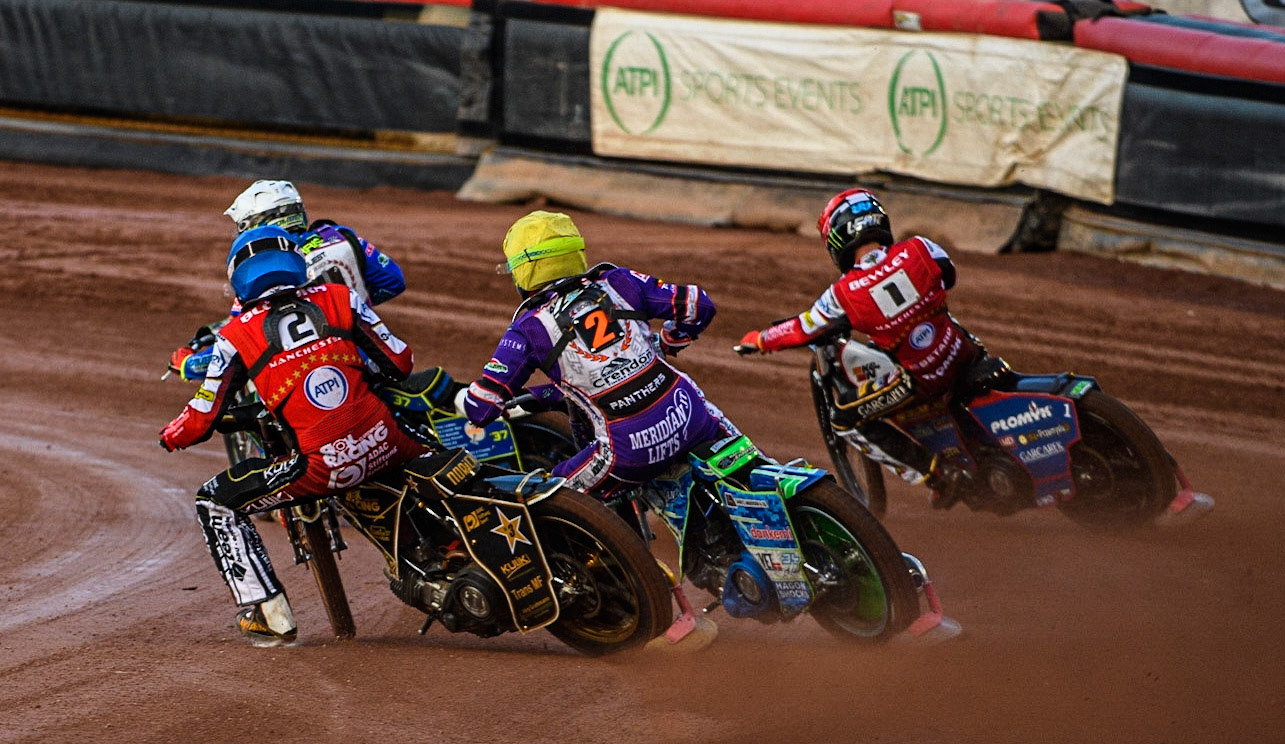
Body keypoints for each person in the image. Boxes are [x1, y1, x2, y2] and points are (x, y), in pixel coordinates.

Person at [158, 226, 427, 645]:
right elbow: (401, 361)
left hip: (321, 466)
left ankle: (268, 611)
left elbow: (202, 417)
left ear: (238, 277)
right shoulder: (341, 298)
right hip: (392, 442)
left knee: (214, 502)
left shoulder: (233, 335)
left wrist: (171, 436)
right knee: (429, 439)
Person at [458, 210, 739, 496]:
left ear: (523, 270)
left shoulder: (528, 328)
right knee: (754, 468)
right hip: (690, 413)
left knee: (548, 495)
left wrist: (463, 400)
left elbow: (482, 408)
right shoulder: (620, 281)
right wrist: (667, 343)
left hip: (628, 452)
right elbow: (699, 307)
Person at [734, 187, 981, 508]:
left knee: (845, 419)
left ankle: (937, 475)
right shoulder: (921, 247)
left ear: (837, 240)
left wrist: (759, 340)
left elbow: (801, 329)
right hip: (963, 352)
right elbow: (948, 276)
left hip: (921, 380)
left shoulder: (844, 292)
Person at [168, 179, 407, 380]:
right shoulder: (343, 237)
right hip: (375, 357)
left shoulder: (264, 267)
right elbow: (393, 282)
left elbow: (237, 344)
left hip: (311, 374)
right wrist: (356, 304)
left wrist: (189, 365)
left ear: (259, 223)